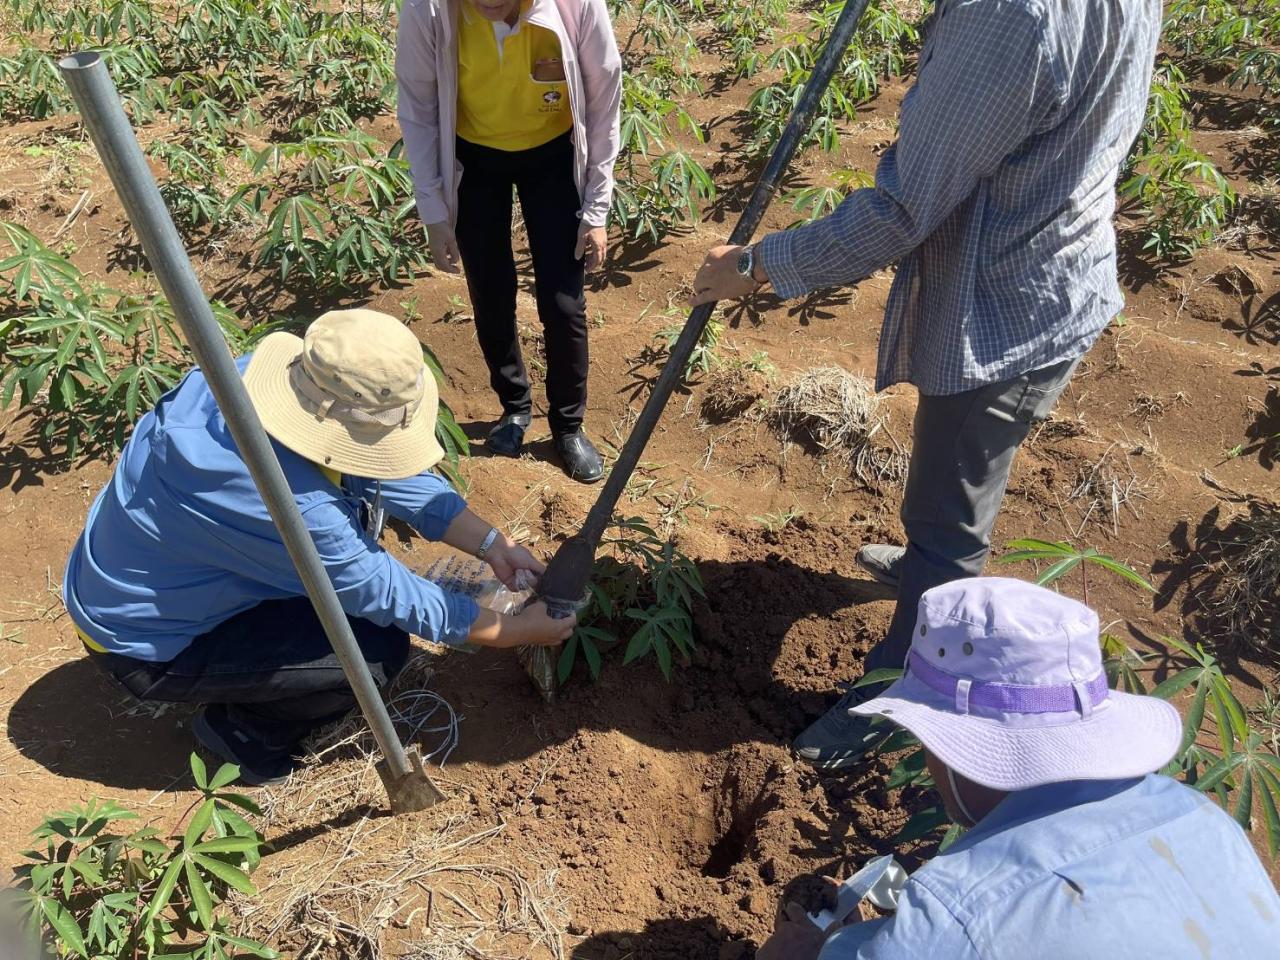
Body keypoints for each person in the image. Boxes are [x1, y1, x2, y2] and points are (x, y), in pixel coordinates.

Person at [689, 0, 1165, 767]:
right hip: (1056, 273)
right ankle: (923, 573)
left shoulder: (1007, 16)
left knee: (949, 521)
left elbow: (903, 208)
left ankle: (903, 693)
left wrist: (755, 267)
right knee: (953, 473)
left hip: (1006, 307)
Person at [63, 310, 575, 786]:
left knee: (355, 624)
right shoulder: (288, 506)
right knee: (375, 651)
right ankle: (244, 732)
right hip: (142, 645)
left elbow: (373, 471)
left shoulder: (250, 383)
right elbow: (388, 594)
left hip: (138, 581)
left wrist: (491, 545)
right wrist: (514, 631)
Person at [758, 577, 1280, 959]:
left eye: (926, 738)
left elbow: (966, 932)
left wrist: (809, 954)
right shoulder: (1199, 817)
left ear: (959, 751)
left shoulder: (954, 909)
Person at [396, 0, 622, 483]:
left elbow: (604, 102)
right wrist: (434, 211)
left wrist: (597, 208)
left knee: (563, 301)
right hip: (474, 158)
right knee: (491, 291)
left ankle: (567, 426)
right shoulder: (429, 9)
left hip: (554, 156)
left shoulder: (575, 6)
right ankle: (515, 408)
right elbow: (417, 104)